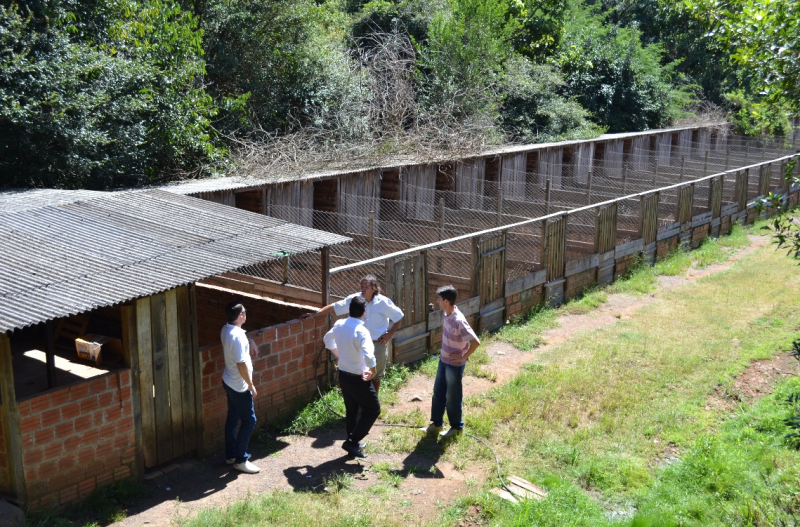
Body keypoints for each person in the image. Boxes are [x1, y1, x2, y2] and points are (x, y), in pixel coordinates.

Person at [305, 275, 403, 393]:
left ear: (374, 288)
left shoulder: (383, 303)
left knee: (376, 375)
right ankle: (362, 404)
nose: (363, 289)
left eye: (366, 287)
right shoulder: (355, 300)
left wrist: (390, 334)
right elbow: (335, 307)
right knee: (360, 374)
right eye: (362, 286)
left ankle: (372, 402)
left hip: (378, 344)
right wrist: (315, 314)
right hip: (358, 345)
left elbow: (398, 316)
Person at [323, 296, 380, 458]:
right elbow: (369, 355)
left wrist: (338, 355)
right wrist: (373, 371)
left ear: (349, 310)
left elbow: (327, 339)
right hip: (358, 377)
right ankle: (352, 441)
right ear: (364, 312)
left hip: (343, 375)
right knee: (373, 410)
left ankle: (352, 441)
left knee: (352, 410)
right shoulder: (362, 331)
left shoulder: (340, 324)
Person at [421, 286, 480, 438]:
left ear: (446, 301)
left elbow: (476, 342)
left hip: (454, 365)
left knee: (452, 396)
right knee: (438, 392)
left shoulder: (458, 320)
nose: (437, 302)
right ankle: (437, 424)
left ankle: (456, 427)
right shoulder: (446, 313)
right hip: (443, 360)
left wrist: (463, 356)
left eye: (439, 299)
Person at [221, 300, 260, 474]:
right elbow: (241, 364)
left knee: (233, 417)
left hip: (228, 381)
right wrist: (250, 385)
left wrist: (250, 340)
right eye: (244, 311)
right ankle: (240, 459)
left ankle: (231, 455)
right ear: (240, 316)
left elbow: (240, 335)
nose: (246, 313)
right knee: (249, 420)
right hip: (239, 386)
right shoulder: (237, 337)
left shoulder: (227, 329)